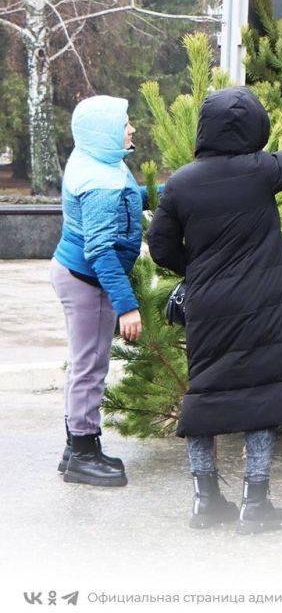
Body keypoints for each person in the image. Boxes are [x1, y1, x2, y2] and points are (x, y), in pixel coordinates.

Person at [147, 86, 282, 533]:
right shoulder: (261, 171)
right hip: (262, 305)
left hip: (208, 307)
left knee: (204, 393)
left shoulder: (180, 182)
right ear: (255, 126)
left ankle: (205, 501)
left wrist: (197, 270)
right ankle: (255, 504)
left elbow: (160, 246)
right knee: (264, 396)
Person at [52, 96, 153, 487]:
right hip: (86, 281)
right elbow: (99, 251)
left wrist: (166, 191)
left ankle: (76, 446)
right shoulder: (98, 183)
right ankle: (82, 454)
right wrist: (126, 306)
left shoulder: (102, 161)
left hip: (82, 276)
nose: (132, 129)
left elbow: (127, 200)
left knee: (86, 364)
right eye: (125, 123)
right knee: (90, 366)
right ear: (102, 131)